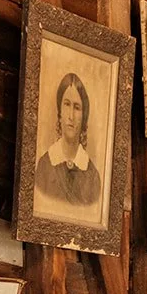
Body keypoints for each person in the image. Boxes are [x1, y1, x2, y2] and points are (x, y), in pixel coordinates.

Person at [33, 71, 102, 210]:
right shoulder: (44, 166)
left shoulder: (93, 177)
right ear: (60, 112)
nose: (71, 116)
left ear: (84, 116)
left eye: (77, 107)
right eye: (66, 104)